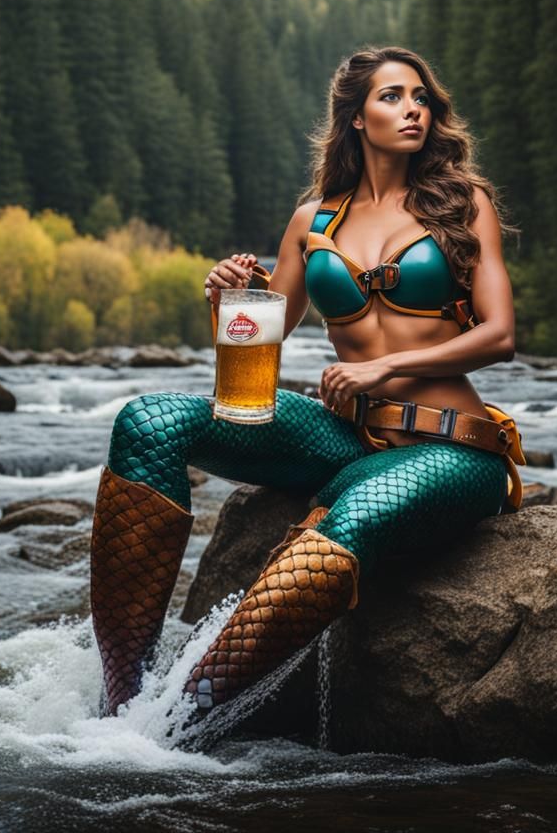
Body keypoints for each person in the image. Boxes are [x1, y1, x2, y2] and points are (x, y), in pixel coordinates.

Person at [89, 46, 522, 717]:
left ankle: (173, 725)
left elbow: (500, 335)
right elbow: (264, 336)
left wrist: (382, 367)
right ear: (355, 117)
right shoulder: (312, 221)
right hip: (345, 438)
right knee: (148, 422)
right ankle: (119, 704)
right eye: (391, 97)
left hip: (454, 450)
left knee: (354, 516)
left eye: (420, 98)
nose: (413, 109)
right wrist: (228, 296)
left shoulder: (465, 204)